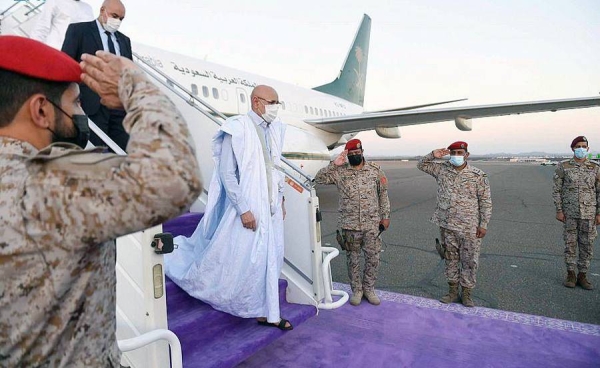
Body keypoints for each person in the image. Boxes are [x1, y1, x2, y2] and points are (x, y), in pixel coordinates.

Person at [0, 36, 202, 367]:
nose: (82, 114)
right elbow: (173, 177)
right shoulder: (47, 182)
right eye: (76, 103)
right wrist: (135, 85)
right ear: (40, 110)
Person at [164, 85, 292, 330]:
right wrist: (243, 208)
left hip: (271, 207)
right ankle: (244, 304)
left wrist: (281, 199)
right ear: (256, 102)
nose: (276, 107)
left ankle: (268, 313)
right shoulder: (237, 128)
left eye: (278, 102)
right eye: (273, 102)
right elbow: (226, 173)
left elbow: (276, 168)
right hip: (248, 206)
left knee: (271, 257)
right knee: (243, 261)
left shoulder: (275, 129)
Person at [314, 139, 391, 306]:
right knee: (353, 259)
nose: (355, 155)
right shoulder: (340, 172)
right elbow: (319, 178)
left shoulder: (375, 171)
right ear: (347, 155)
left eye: (357, 152)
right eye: (351, 154)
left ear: (362, 151)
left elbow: (383, 195)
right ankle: (357, 290)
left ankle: (369, 289)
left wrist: (385, 216)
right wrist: (334, 164)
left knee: (373, 257)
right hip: (350, 224)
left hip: (372, 224)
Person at [417, 141, 492, 307]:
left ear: (467, 154)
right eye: (453, 153)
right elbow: (421, 165)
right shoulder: (441, 169)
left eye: (460, 152)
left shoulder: (478, 175)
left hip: (469, 226)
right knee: (450, 259)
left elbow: (485, 201)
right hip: (447, 224)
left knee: (470, 261)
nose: (456, 156)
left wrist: (483, 224)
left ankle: (466, 294)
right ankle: (452, 291)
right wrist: (433, 154)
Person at [62, 0, 132, 151]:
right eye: (115, 16)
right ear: (102, 11)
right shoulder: (79, 31)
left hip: (119, 108)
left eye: (121, 19)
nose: (117, 21)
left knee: (121, 153)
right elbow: (66, 66)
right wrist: (71, 99)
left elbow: (129, 73)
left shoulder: (125, 41)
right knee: (95, 153)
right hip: (92, 105)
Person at [552, 136, 600, 290]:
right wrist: (559, 210)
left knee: (587, 246)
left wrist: (599, 213)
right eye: (578, 146)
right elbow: (557, 190)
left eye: (583, 146)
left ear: (587, 148)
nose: (581, 148)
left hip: (589, 213)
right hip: (570, 213)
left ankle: (583, 275)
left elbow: (599, 191)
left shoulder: (595, 168)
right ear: (572, 148)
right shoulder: (563, 166)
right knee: (570, 244)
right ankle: (571, 274)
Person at [30, 0, 94, 50]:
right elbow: (41, 28)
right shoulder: (55, 1)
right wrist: (33, 50)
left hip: (72, 58)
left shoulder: (87, 9)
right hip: (52, 51)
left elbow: (88, 36)